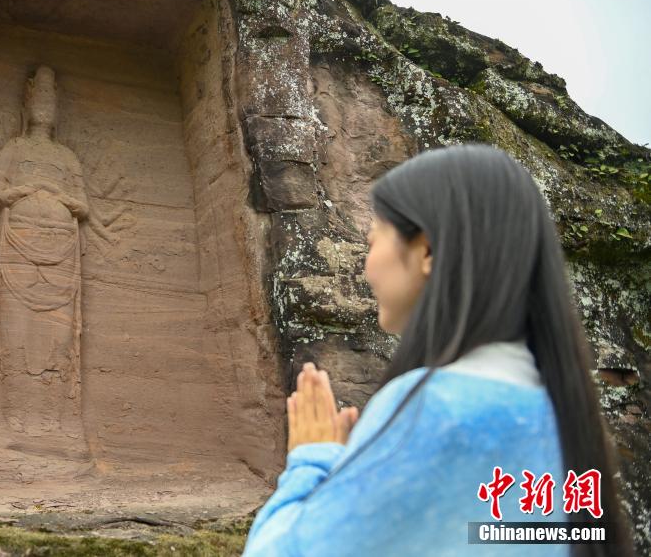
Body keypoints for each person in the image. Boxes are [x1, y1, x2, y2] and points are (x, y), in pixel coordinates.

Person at [242, 144, 635, 556]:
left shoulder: (432, 409)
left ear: (427, 250)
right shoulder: (560, 414)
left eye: (373, 239)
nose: (366, 265)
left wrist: (311, 460)